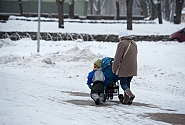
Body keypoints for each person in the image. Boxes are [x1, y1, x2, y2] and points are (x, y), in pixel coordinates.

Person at [112, 30, 137, 105]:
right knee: (127, 83)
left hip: (125, 67)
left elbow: (118, 57)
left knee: (123, 83)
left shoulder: (122, 43)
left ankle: (130, 95)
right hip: (133, 67)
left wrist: (114, 67)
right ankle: (127, 100)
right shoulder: (133, 43)